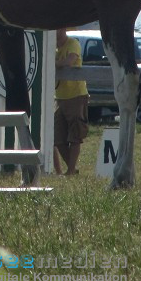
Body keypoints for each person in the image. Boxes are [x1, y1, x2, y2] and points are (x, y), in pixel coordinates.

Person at [53, 28, 89, 175]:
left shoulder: (73, 43)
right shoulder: (52, 48)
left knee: (75, 135)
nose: (55, 31)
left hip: (76, 95)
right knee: (58, 138)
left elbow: (69, 61)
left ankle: (71, 170)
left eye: (57, 28)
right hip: (60, 96)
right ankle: (72, 169)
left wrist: (53, 62)